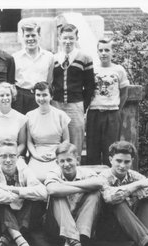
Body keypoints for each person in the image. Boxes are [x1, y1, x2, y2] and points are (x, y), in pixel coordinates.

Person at [99, 141, 148, 246]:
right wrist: (137, 186)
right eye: (118, 161)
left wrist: (130, 191)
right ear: (111, 159)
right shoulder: (103, 176)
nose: (122, 165)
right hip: (108, 229)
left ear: (132, 160)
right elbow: (109, 197)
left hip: (131, 230)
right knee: (117, 201)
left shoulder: (134, 175)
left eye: (127, 162)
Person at [0, 139, 46, 246]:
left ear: (17, 157)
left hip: (24, 219)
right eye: (3, 156)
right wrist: (21, 195)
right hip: (0, 220)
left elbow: (43, 192)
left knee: (35, 202)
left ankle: (4, 241)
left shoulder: (24, 169)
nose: (8, 160)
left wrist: (14, 189)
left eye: (12, 156)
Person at [44, 142, 103, 246]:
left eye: (70, 160)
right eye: (62, 161)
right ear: (57, 162)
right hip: (56, 227)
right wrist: (85, 187)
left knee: (95, 194)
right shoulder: (53, 173)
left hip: (81, 226)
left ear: (77, 160)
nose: (66, 164)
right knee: (57, 196)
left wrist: (66, 185)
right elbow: (52, 190)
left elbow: (99, 183)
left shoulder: (86, 172)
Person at [52, 24, 95, 158]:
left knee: (76, 139)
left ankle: (76, 169)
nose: (68, 41)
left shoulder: (84, 58)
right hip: (57, 104)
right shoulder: (54, 58)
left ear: (76, 38)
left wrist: (83, 105)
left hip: (76, 105)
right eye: (65, 38)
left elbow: (90, 85)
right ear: (59, 38)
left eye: (71, 38)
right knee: (58, 140)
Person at [86, 38, 130, 166]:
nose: (104, 53)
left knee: (111, 149)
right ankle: (92, 180)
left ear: (112, 52)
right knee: (92, 149)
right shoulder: (92, 69)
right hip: (94, 113)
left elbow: (124, 93)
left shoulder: (119, 70)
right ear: (97, 52)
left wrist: (117, 108)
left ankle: (110, 179)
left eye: (107, 50)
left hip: (112, 114)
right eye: (101, 50)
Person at [27, 82, 70, 182]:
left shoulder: (60, 115)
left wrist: (56, 154)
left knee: (55, 177)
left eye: (45, 95)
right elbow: (29, 142)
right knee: (33, 178)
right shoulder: (29, 116)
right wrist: (36, 155)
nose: (41, 98)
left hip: (57, 153)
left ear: (51, 96)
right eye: (38, 95)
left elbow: (66, 140)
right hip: (38, 154)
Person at [0, 82, 27, 176]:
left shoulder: (21, 118)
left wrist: (12, 156)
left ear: (12, 96)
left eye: (8, 95)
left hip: (15, 156)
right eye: (2, 95)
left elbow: (22, 143)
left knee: (23, 172)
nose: (5, 98)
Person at [12, 21, 54, 114]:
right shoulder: (15, 57)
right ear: (23, 37)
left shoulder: (49, 57)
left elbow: (50, 80)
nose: (30, 39)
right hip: (21, 98)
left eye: (33, 35)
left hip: (40, 96)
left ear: (39, 36)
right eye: (27, 36)